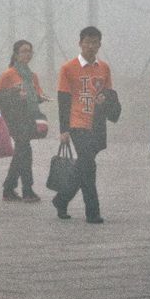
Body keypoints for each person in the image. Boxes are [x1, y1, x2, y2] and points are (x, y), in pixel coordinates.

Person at [52, 26, 120, 224]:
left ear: (100, 44)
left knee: (84, 165)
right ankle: (93, 212)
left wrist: (104, 99)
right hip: (77, 123)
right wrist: (64, 130)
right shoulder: (68, 68)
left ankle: (61, 199)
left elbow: (110, 94)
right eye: (87, 42)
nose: (91, 46)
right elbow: (63, 100)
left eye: (95, 42)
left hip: (97, 124)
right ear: (80, 43)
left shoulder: (104, 68)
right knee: (89, 165)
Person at [0, 40, 49, 203]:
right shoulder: (8, 74)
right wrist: (15, 94)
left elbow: (37, 94)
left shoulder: (33, 76)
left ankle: (9, 188)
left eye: (29, 51)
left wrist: (41, 98)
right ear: (16, 54)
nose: (27, 54)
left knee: (21, 151)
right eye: (23, 51)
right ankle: (27, 189)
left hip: (29, 117)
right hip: (14, 118)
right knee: (25, 150)